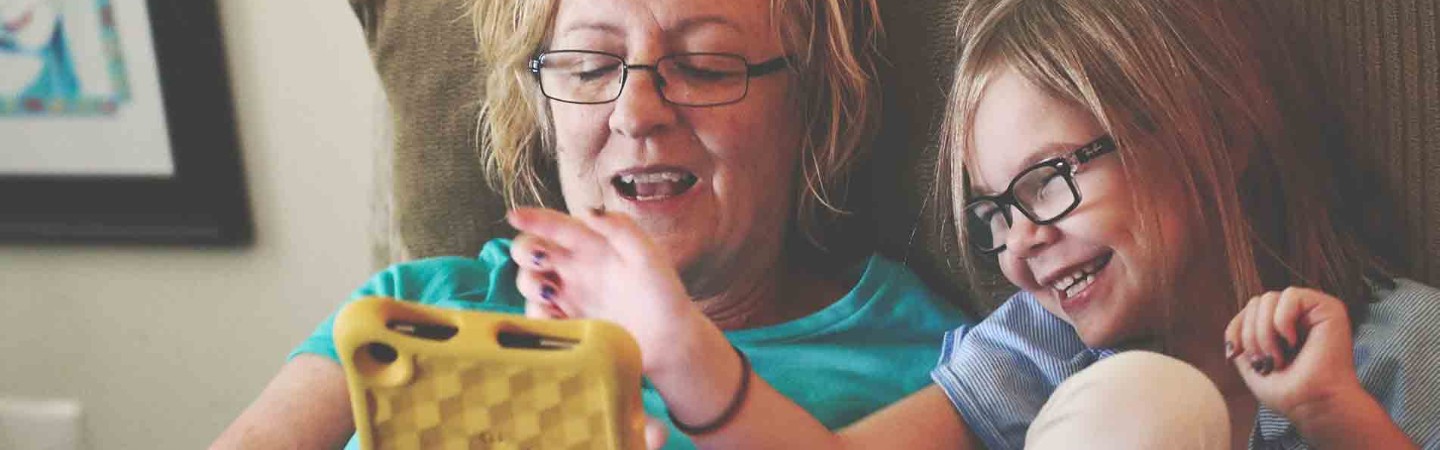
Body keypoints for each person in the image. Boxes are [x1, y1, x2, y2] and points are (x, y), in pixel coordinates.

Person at [506, 0, 1440, 448]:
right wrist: (682, 355)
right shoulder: (1037, 351)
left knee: (1158, 403)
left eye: (1045, 183)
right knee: (1150, 400)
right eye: (993, 212)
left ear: (1218, 133)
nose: (1017, 246)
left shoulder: (1400, 348)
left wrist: (1331, 415)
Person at [211, 0, 971, 448]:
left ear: (809, 105)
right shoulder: (417, 307)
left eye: (706, 66)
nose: (636, 113)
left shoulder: (935, 365)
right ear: (539, 110)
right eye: (587, 67)